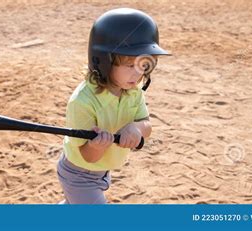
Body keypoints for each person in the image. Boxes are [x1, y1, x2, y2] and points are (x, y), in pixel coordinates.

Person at [57, 8, 170, 204]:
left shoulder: (133, 91)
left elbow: (147, 125)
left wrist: (135, 128)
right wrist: (97, 145)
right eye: (128, 65)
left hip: (102, 171)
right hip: (79, 175)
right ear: (104, 62)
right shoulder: (83, 102)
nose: (137, 74)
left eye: (143, 65)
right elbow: (87, 156)